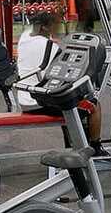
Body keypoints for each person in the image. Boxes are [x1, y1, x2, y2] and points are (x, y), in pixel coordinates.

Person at [15, 11, 102, 146]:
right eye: (53, 26)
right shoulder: (50, 47)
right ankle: (95, 147)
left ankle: (72, 146)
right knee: (93, 105)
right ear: (44, 27)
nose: (56, 29)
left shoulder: (24, 39)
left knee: (64, 97)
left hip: (24, 99)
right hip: (38, 102)